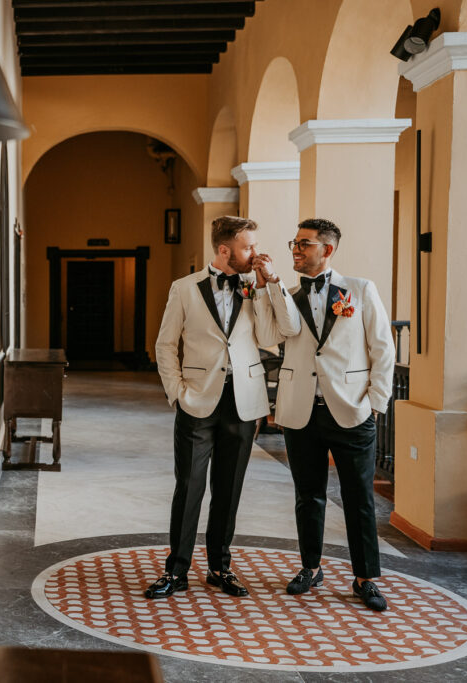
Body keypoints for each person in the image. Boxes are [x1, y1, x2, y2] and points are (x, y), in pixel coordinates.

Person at [253, 218, 395, 611]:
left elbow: (383, 349)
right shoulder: (289, 295)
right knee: (308, 495)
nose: (296, 250)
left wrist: (375, 405)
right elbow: (273, 336)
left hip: (351, 410)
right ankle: (310, 568)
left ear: (327, 250)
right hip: (302, 412)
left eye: (304, 244)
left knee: (358, 499)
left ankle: (366, 577)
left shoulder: (361, 291)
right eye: (294, 244)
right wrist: (270, 286)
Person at [147, 215, 280, 599]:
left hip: (242, 403)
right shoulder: (184, 288)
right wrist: (177, 392)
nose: (255, 253)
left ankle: (220, 567)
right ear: (225, 250)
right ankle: (176, 571)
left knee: (229, 489)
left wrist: (269, 286)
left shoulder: (255, 286)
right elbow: (165, 345)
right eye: (248, 247)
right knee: (189, 487)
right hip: (197, 401)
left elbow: (271, 337)